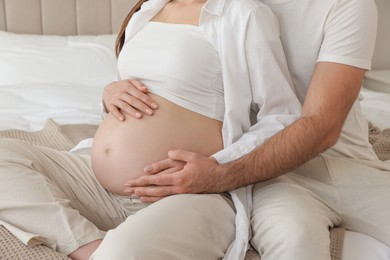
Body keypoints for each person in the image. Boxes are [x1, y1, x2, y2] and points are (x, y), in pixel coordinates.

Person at [0, 0, 302, 259]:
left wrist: (217, 167)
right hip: (95, 184)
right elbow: (137, 98)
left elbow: (282, 117)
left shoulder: (243, 13)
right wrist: (109, 94)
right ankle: (86, 244)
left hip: (189, 192)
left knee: (121, 254)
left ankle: (112, 249)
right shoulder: (146, 11)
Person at [122, 0, 390, 259]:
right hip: (270, 171)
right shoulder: (225, 8)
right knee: (295, 240)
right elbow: (175, 72)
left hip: (345, 163)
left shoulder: (347, 4)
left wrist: (221, 175)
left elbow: (322, 126)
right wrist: (114, 90)